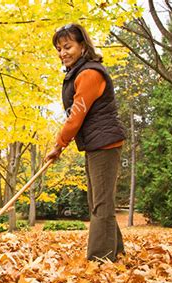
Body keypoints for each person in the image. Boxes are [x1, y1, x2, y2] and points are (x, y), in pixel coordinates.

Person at [45, 24, 126, 262]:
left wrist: (59, 145)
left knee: (101, 204)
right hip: (95, 143)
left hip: (105, 144)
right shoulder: (78, 73)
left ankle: (99, 259)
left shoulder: (90, 74)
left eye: (68, 46)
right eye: (59, 49)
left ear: (83, 46)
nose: (63, 53)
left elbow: (76, 117)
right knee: (99, 202)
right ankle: (117, 252)